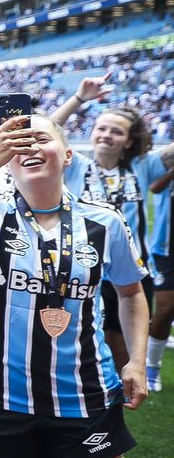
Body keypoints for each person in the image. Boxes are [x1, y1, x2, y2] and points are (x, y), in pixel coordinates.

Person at [0, 113, 150, 458]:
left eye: (42, 139)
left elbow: (131, 294)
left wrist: (137, 361)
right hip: (4, 397)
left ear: (67, 155)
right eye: (19, 143)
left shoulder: (106, 222)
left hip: (86, 395)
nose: (31, 147)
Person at [50, 75, 174, 392]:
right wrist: (79, 98)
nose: (106, 135)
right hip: (81, 266)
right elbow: (47, 130)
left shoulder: (143, 166)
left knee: (122, 342)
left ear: (129, 141)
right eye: (101, 128)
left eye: (116, 131)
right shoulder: (75, 164)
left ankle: (115, 393)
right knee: (77, 337)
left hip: (128, 269)